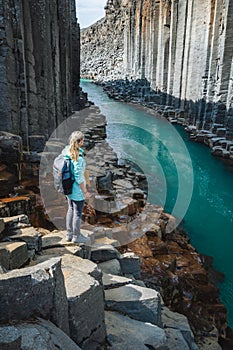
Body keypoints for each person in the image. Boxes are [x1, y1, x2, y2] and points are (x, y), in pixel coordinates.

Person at [61, 131, 91, 244]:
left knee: (70, 209)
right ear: (79, 142)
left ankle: (69, 234)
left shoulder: (66, 152)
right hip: (76, 190)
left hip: (67, 187)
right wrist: (85, 191)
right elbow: (79, 178)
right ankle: (76, 236)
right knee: (77, 213)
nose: (83, 142)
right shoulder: (79, 158)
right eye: (82, 140)